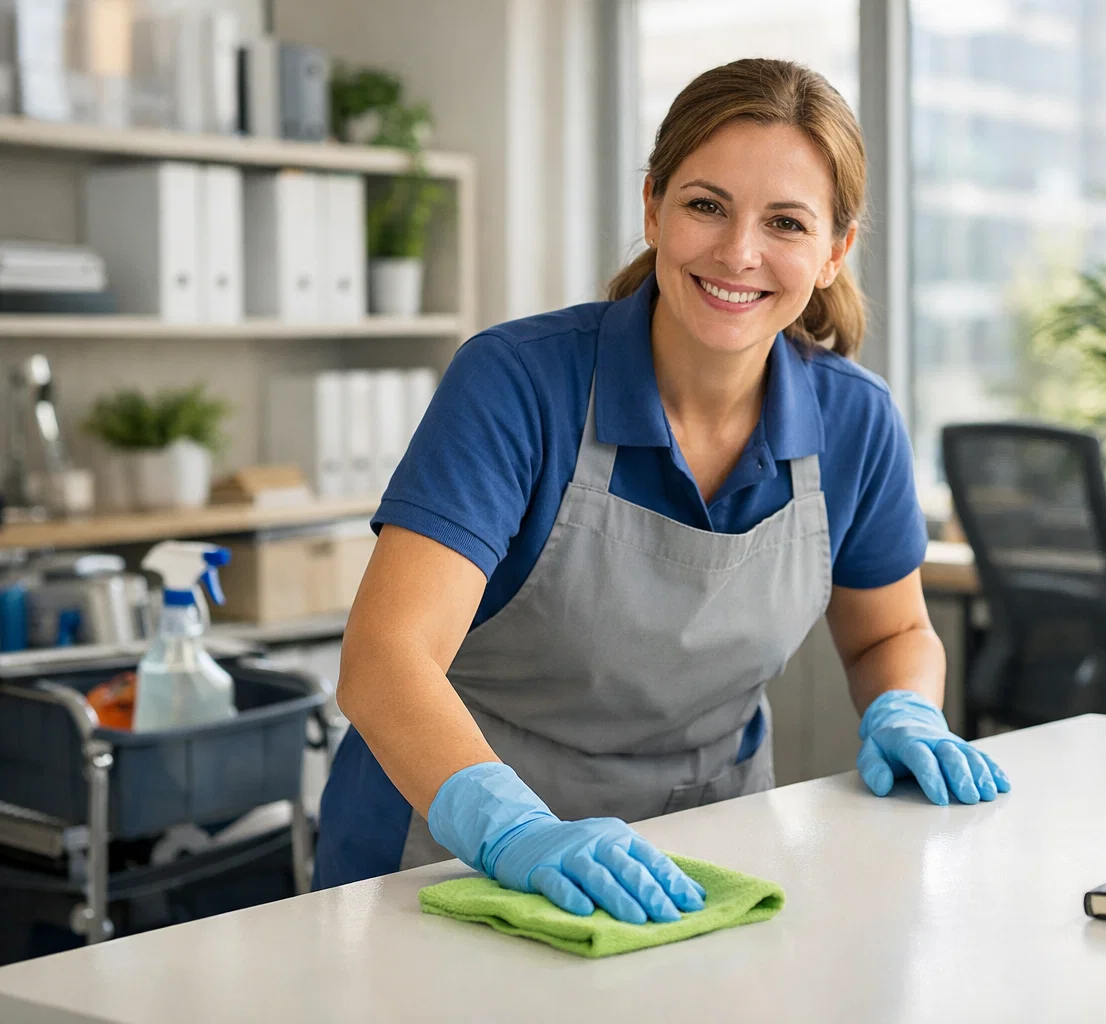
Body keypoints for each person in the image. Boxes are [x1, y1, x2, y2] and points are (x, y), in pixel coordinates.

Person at [311, 57, 1009, 922]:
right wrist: (511, 831)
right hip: (444, 861)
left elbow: (892, 630)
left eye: (785, 223)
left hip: (700, 867)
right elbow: (385, 661)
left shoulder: (854, 421)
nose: (738, 253)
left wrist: (908, 709)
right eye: (706, 205)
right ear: (653, 208)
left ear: (834, 253)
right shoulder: (520, 385)